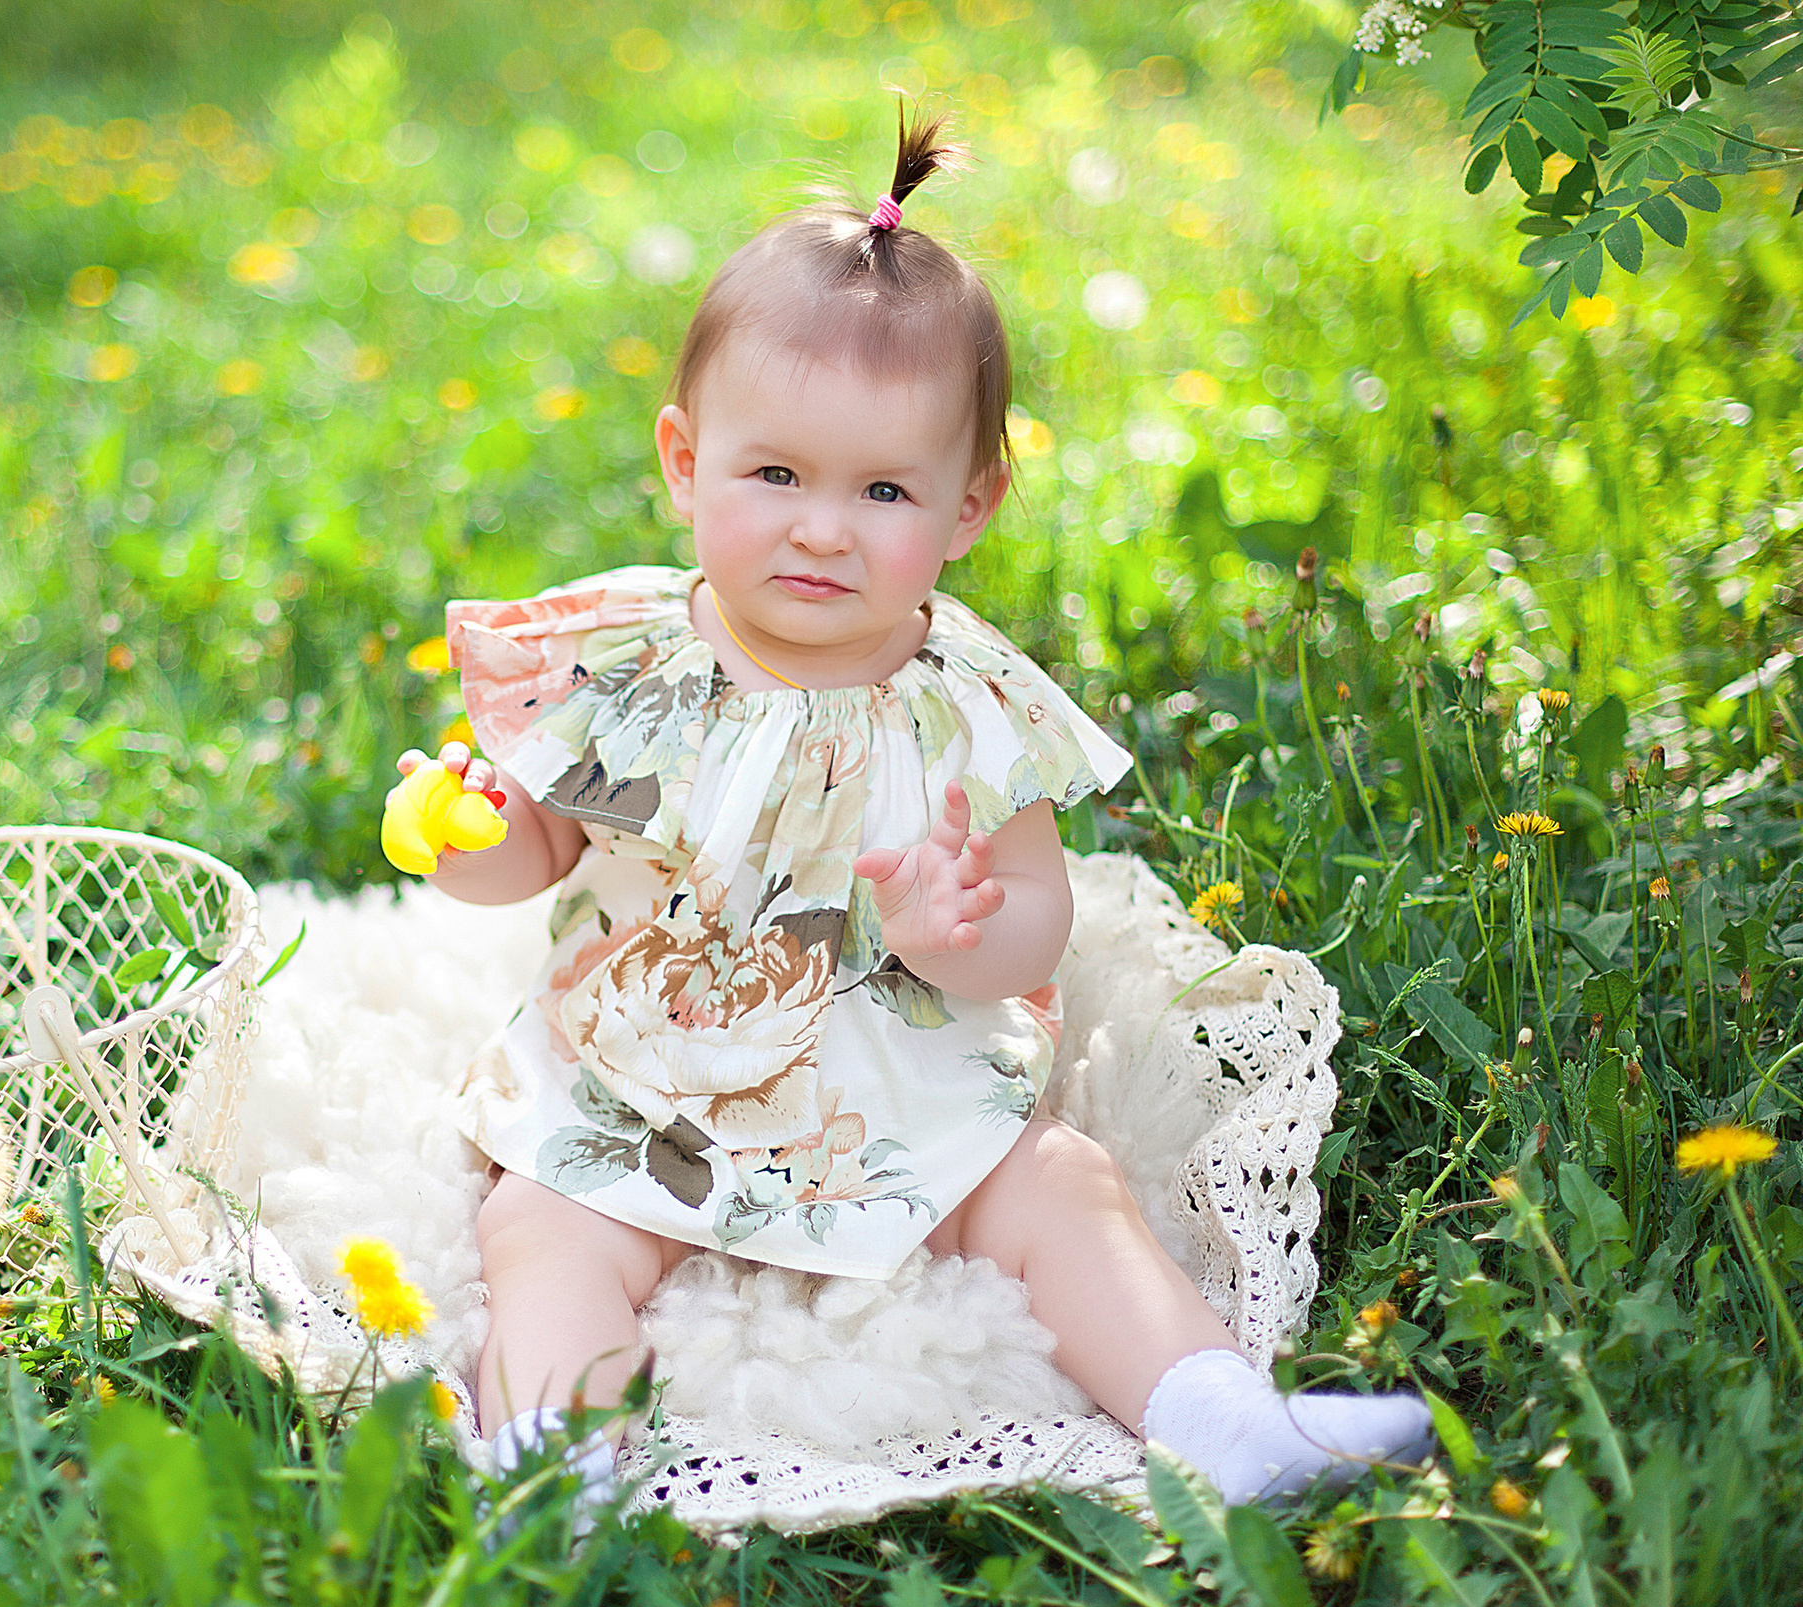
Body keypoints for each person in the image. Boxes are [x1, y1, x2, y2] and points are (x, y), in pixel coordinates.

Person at [397, 111, 1432, 1512]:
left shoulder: (970, 706)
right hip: (637, 1059)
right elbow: (544, 849)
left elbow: (1036, 926)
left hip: (892, 1076)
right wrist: (472, 836)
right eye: (775, 475)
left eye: (882, 489)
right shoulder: (625, 658)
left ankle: (1220, 1419)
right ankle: (562, 1469)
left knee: (1058, 1188)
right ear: (683, 461)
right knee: (541, 1219)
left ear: (969, 505)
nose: (821, 528)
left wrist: (967, 932)